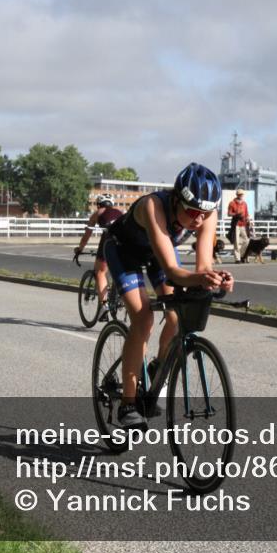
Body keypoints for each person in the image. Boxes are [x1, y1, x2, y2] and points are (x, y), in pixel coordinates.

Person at [104, 162, 233, 429]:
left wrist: (216, 278)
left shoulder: (206, 213)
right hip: (124, 252)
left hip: (156, 255)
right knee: (143, 318)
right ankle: (128, 402)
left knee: (176, 317)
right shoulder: (153, 206)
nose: (199, 219)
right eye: (193, 211)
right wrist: (201, 278)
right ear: (176, 199)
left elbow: (203, 267)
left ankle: (156, 368)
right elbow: (173, 271)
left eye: (205, 213)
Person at [73, 193, 123, 314]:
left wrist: (80, 248)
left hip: (109, 240)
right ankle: (121, 297)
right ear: (112, 204)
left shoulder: (98, 213)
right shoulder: (120, 212)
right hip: (125, 242)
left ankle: (104, 306)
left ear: (98, 204)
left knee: (100, 272)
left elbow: (87, 235)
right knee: (120, 270)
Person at [227, 188, 250, 263]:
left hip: (243, 224)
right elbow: (229, 213)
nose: (241, 195)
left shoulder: (245, 203)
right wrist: (236, 214)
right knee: (236, 242)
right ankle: (237, 259)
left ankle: (242, 255)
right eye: (239, 194)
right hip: (236, 224)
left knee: (247, 241)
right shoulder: (232, 203)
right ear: (237, 195)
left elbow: (246, 213)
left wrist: (248, 220)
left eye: (242, 194)